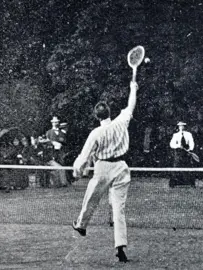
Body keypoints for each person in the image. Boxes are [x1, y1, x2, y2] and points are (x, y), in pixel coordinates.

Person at [71, 81, 139, 263]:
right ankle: (120, 246)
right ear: (109, 113)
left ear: (96, 116)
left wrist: (76, 171)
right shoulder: (121, 122)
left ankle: (81, 225)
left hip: (103, 167)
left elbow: (84, 157)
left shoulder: (96, 133)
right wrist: (133, 88)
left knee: (91, 198)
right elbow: (130, 105)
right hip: (121, 167)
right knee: (119, 210)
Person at [169, 121, 196, 187]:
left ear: (185, 127)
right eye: (180, 126)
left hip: (186, 153)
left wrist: (189, 149)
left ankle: (191, 184)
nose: (181, 127)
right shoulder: (175, 135)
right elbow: (171, 144)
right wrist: (178, 146)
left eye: (183, 126)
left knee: (188, 167)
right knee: (176, 167)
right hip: (178, 153)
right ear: (178, 127)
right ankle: (173, 184)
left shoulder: (188, 134)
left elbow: (192, 143)